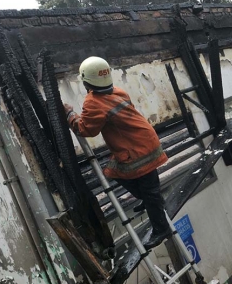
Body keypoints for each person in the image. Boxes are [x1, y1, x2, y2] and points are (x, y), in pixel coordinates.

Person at [64, 56, 171, 250]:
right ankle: (149, 201)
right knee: (118, 174)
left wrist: (70, 114)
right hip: (144, 142)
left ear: (86, 80)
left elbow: (86, 130)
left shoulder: (94, 102)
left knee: (150, 191)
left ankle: (161, 228)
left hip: (137, 149)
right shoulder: (117, 92)